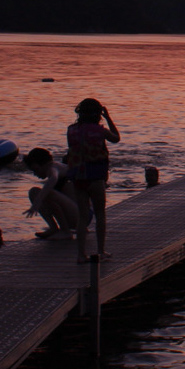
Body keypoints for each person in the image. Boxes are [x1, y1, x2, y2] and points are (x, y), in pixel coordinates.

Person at [67, 98, 121, 263]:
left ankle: (80, 255)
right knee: (100, 214)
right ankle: (100, 251)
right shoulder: (100, 131)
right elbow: (116, 138)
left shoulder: (71, 130)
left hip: (78, 177)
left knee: (82, 217)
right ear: (98, 114)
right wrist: (108, 118)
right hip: (95, 176)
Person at [23, 147, 79, 240]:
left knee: (47, 193)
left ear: (44, 164)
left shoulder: (53, 168)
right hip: (76, 214)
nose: (35, 174)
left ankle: (66, 232)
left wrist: (37, 202)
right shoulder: (58, 167)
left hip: (80, 216)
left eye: (36, 170)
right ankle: (53, 228)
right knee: (34, 192)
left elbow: (53, 178)